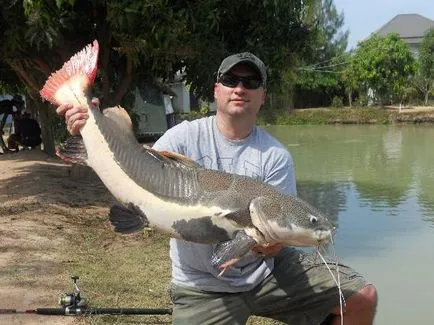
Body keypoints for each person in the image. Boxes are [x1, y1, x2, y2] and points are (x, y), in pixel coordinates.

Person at [56, 52, 377, 325]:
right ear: (216, 90)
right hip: (202, 286)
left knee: (362, 297)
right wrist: (88, 123)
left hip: (268, 274)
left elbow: (275, 247)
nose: (240, 89)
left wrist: (269, 244)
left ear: (263, 95)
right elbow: (134, 158)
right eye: (231, 81)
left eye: (251, 83)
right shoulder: (182, 137)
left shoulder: (276, 155)